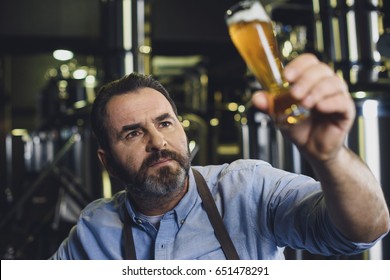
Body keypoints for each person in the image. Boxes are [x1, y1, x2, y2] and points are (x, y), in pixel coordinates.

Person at [50, 53, 389, 260]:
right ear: (106, 161)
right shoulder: (94, 232)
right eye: (133, 132)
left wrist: (330, 156)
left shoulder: (247, 188)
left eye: (165, 123)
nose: (158, 141)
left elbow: (364, 230)